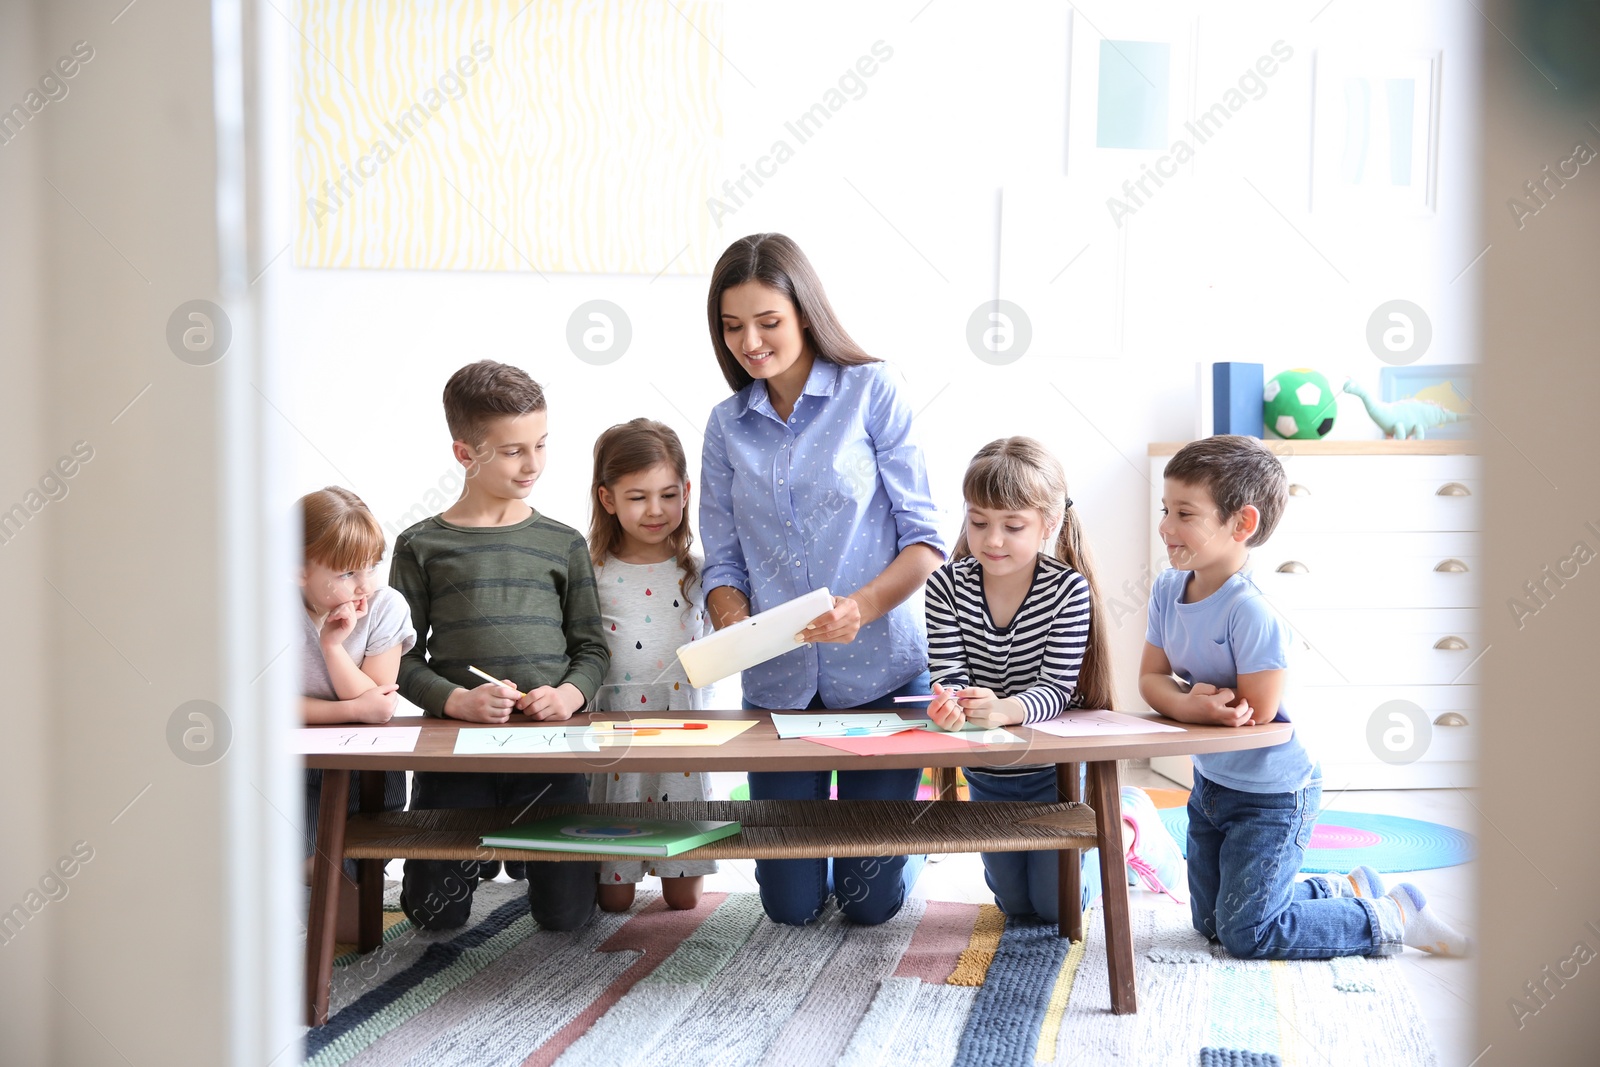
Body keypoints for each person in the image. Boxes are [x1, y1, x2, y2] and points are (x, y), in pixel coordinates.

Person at [1140, 435, 1469, 958]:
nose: (1165, 526)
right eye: (1165, 509)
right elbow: (1151, 680)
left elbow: (1256, 713)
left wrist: (1192, 701)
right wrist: (1189, 704)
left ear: (1241, 524)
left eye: (1184, 513)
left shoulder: (1253, 611)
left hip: (1272, 794)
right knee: (1210, 923)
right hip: (1211, 785)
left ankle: (1393, 915)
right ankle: (1344, 891)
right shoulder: (1166, 590)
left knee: (1248, 935)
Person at [698, 232, 945, 926]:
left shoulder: (872, 390)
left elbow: (925, 541)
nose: (750, 341)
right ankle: (870, 848)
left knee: (868, 906)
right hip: (779, 688)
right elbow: (721, 558)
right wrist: (730, 617)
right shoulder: (725, 427)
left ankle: (909, 844)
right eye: (732, 325)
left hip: (880, 674)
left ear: (804, 312)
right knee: (789, 909)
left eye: (767, 321)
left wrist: (860, 609)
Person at [924, 437, 1185, 924]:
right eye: (978, 522)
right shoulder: (945, 585)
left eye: (1012, 526)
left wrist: (1004, 708)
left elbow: (1056, 690)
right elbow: (949, 674)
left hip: (1054, 775)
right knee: (1014, 907)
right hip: (988, 775)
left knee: (1056, 908)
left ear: (1048, 524)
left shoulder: (1067, 589)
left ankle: (1132, 829)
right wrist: (949, 704)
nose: (992, 540)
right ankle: (1110, 832)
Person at [389, 360, 610, 932]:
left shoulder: (562, 543)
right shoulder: (420, 545)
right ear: (465, 454)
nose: (533, 463)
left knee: (568, 918)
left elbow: (592, 650)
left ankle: (532, 862)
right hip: (458, 756)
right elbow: (400, 662)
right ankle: (469, 865)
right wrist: (454, 701)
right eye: (513, 451)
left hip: (549, 751)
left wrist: (568, 696)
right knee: (433, 917)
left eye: (540, 444)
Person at [586, 418, 716, 912]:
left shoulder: (700, 571)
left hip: (681, 736)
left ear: (686, 491)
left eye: (668, 494)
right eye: (638, 497)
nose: (656, 510)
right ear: (608, 499)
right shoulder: (590, 570)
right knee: (614, 900)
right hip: (615, 739)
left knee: (683, 900)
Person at [298, 486, 414, 942]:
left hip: (363, 768)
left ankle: (313, 877)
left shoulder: (385, 606)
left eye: (371, 566)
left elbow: (379, 706)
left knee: (341, 883)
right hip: (293, 767)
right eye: (348, 572)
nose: (364, 584)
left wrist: (332, 647)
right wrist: (350, 709)